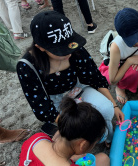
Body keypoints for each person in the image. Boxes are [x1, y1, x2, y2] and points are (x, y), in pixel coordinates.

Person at [16, 11, 124, 145]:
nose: (69, 53)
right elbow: (41, 106)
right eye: (61, 51)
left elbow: (95, 78)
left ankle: (108, 138)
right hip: (55, 102)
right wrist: (73, 125)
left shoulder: (75, 49)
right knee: (84, 128)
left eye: (70, 46)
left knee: (106, 109)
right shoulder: (27, 66)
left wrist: (114, 106)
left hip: (78, 88)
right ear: (41, 48)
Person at [99, 8, 138, 104]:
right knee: (133, 71)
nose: (137, 42)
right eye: (131, 40)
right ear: (121, 35)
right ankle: (121, 87)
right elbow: (112, 80)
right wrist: (130, 61)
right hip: (121, 66)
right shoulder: (116, 46)